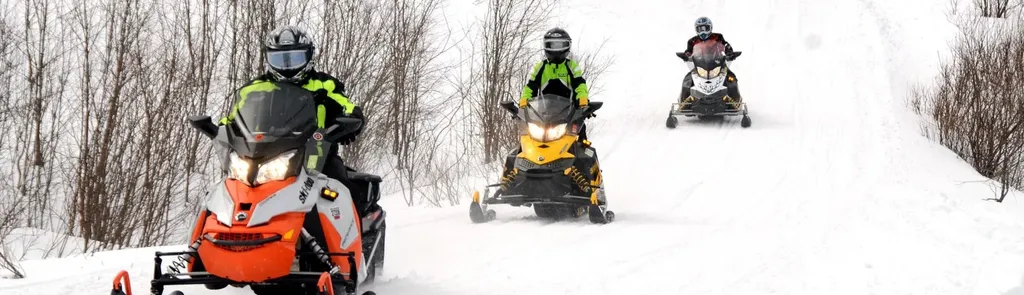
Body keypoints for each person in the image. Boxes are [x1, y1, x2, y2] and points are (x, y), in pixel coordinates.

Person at [217, 25, 381, 221]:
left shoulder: (324, 84)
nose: (287, 66)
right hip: (263, 159)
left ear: (309, 56)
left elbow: (348, 107)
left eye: (295, 58)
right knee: (226, 193)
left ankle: (357, 232)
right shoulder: (253, 89)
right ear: (268, 59)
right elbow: (232, 119)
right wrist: (218, 130)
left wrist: (349, 122)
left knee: (341, 189)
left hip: (316, 157)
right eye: (279, 59)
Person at [519, 27, 592, 144]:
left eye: (560, 45)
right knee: (526, 141)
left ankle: (583, 153)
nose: (556, 49)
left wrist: (583, 100)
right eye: (552, 45)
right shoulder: (540, 67)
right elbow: (530, 87)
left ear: (567, 46)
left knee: (581, 141)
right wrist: (524, 101)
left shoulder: (571, 66)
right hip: (542, 116)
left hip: (570, 115)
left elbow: (580, 84)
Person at [679, 17, 742, 104]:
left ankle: (735, 102)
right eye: (700, 29)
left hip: (718, 64)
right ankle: (683, 104)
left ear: (710, 28)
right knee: (688, 80)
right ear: (696, 29)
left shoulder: (718, 37)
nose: (703, 32)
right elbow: (689, 51)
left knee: (731, 78)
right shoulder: (692, 41)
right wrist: (686, 56)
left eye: (705, 28)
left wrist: (730, 53)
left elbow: (726, 46)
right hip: (699, 65)